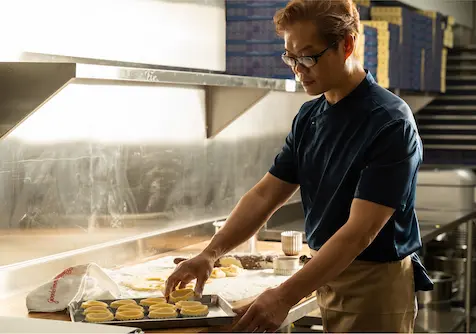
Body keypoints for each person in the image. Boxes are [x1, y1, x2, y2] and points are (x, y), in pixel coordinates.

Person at [165, 0, 433, 332]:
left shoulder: (390, 122)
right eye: (290, 57)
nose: (297, 69)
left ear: (346, 45)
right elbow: (266, 195)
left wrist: (283, 296)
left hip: (373, 283)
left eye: (307, 57)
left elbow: (359, 233)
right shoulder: (310, 116)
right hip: (324, 270)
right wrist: (210, 252)